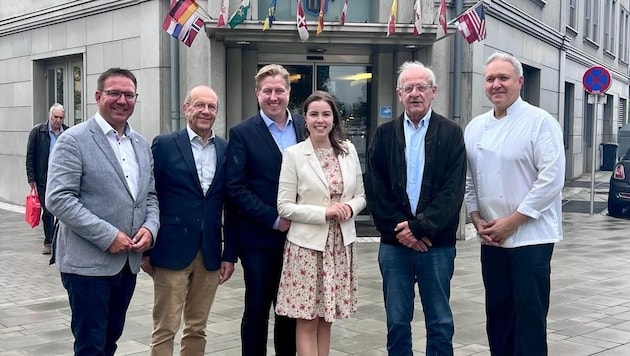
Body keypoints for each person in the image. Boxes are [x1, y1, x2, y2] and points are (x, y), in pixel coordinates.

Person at [45, 68, 160, 356]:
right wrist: (108, 236)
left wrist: (151, 228)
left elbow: (150, 196)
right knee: (90, 346)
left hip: (127, 264)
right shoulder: (74, 140)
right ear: (98, 97)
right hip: (87, 265)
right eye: (114, 93)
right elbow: (58, 198)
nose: (122, 100)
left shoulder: (142, 145)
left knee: (109, 341)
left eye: (129, 95)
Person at [464, 53, 565, 356]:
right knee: (498, 314)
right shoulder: (475, 127)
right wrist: (476, 216)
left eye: (503, 78)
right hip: (492, 239)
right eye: (491, 79)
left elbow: (551, 180)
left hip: (531, 238)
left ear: (519, 82)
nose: (496, 85)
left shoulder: (540, 122)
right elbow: (470, 179)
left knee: (530, 318)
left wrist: (513, 222)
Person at [366, 61, 466, 356]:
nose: (414, 93)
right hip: (394, 247)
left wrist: (420, 228)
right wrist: (403, 231)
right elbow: (375, 187)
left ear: (433, 91)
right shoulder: (384, 135)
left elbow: (453, 190)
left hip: (436, 244)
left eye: (421, 87)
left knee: (440, 321)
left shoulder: (451, 133)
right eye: (408, 88)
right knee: (397, 322)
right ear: (399, 94)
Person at [145, 85, 236, 355]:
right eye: (199, 105)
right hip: (171, 250)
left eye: (211, 107)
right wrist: (147, 249)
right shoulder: (164, 145)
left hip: (209, 252)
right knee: (165, 327)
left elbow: (230, 205)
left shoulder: (226, 149)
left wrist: (228, 253)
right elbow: (151, 195)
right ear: (186, 109)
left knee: (197, 327)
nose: (206, 111)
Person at [275, 90, 366, 356]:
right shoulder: (293, 154)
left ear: (334, 118)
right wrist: (324, 213)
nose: (320, 120)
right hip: (307, 248)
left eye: (326, 114)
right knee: (307, 319)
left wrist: (349, 207)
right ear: (305, 119)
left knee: (327, 319)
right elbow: (284, 206)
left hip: (339, 246)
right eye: (314, 114)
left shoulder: (348, 150)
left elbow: (361, 195)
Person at [226, 63, 304, 356]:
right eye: (267, 91)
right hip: (259, 240)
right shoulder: (242, 133)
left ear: (288, 92)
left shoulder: (304, 125)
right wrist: (274, 219)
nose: (274, 97)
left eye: (279, 90)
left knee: (290, 312)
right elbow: (235, 187)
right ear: (257, 93)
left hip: (299, 240)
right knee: (257, 312)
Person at [26, 103, 68, 254]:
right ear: (50, 117)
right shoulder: (38, 132)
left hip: (63, 178)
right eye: (55, 117)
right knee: (48, 211)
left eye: (61, 118)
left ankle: (60, 241)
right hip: (44, 179)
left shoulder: (68, 133)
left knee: (63, 211)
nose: (58, 120)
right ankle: (48, 241)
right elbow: (30, 156)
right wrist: (32, 179)